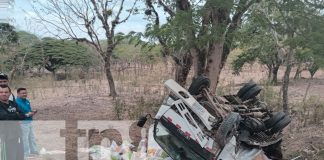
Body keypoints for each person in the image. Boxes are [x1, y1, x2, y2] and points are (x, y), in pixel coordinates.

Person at [0, 84, 26, 160]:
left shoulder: (13, 103)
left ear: (10, 93)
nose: (3, 94)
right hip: (5, 137)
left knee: (20, 157)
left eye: (6, 92)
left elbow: (22, 115)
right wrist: (16, 114)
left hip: (17, 135)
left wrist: (11, 115)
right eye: (1, 92)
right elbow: (4, 117)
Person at [16, 88, 39, 157]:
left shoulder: (27, 101)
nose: (24, 94)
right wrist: (28, 114)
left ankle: (34, 150)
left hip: (29, 121)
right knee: (24, 138)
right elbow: (18, 114)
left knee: (32, 137)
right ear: (18, 94)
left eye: (25, 93)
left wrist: (33, 111)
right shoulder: (16, 102)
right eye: (22, 93)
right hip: (22, 123)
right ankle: (26, 153)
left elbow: (28, 110)